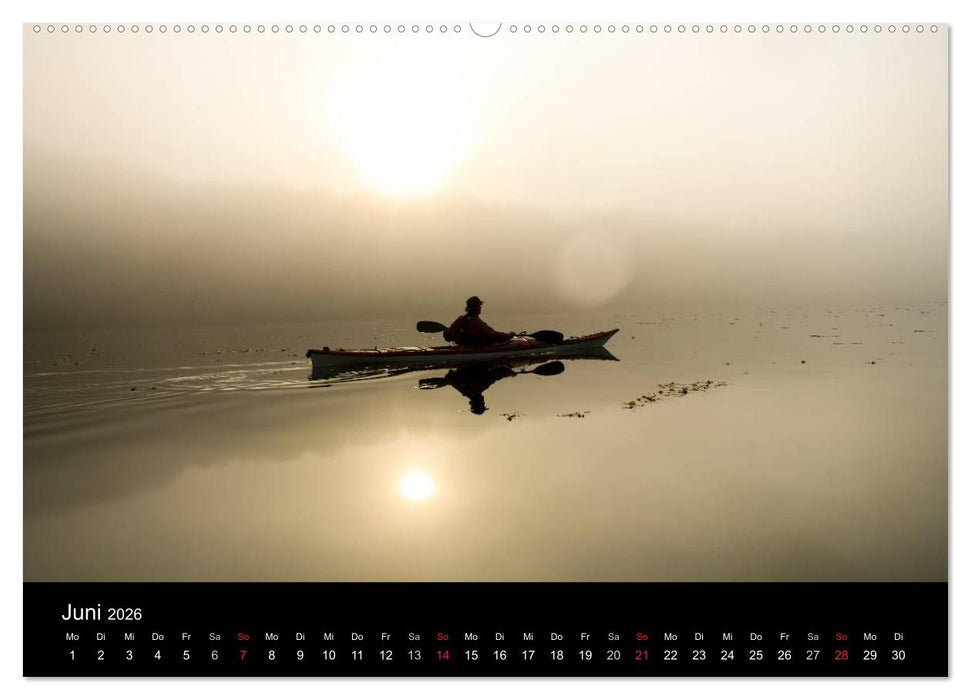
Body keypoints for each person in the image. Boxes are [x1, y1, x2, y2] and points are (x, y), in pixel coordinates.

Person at [443, 296, 516, 346]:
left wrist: (446, 330)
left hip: (462, 347)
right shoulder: (477, 322)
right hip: (475, 349)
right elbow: (495, 335)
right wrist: (510, 335)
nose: (480, 307)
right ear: (475, 308)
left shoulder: (460, 320)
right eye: (479, 306)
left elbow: (447, 336)